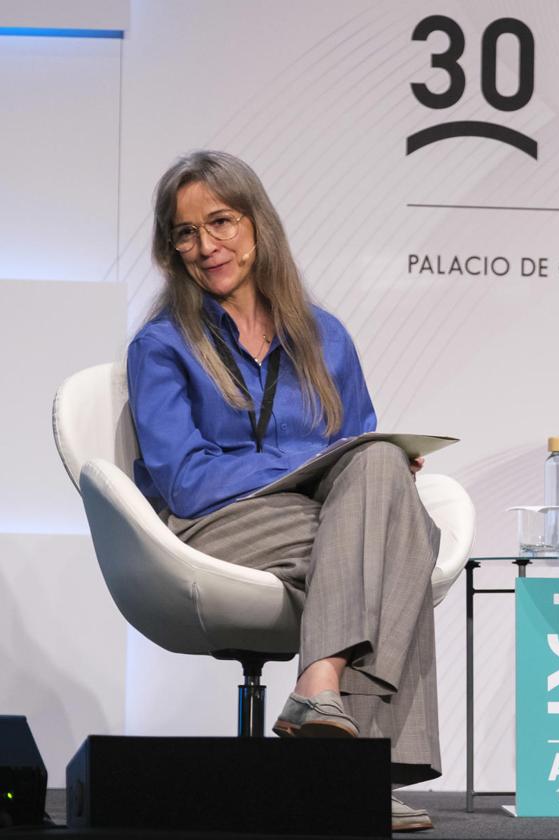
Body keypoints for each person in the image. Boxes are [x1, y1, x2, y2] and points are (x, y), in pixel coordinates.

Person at [127, 150, 439, 832]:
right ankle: (360, 771)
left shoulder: (327, 339)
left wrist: (369, 467)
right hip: (212, 529)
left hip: (316, 524)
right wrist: (317, 464)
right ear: (170, 249)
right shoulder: (163, 345)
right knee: (401, 537)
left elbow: (363, 456)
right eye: (185, 233)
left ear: (258, 224)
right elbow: (186, 478)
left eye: (221, 222)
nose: (207, 247)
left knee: (385, 476)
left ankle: (319, 688)